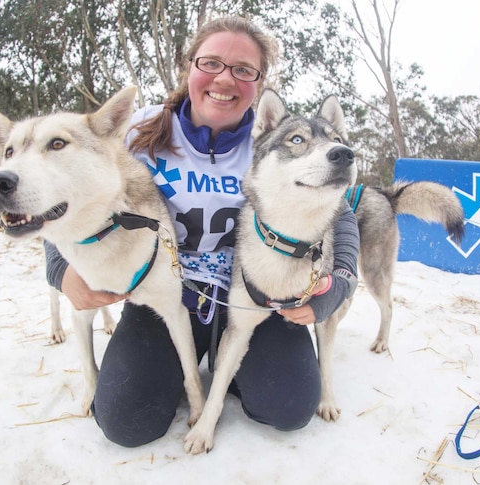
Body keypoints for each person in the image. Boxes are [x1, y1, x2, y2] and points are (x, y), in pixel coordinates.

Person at [44, 16, 360, 448]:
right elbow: (60, 188)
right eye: (211, 63)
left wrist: (339, 282)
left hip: (256, 294)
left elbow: (339, 211)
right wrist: (61, 269)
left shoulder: (282, 139)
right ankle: (178, 366)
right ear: (188, 67)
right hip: (162, 295)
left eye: (243, 70)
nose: (225, 80)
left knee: (288, 408)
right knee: (125, 421)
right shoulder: (137, 131)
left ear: (259, 82)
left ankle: (238, 373)